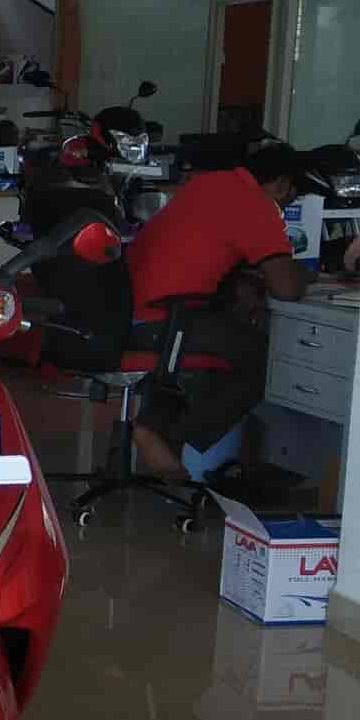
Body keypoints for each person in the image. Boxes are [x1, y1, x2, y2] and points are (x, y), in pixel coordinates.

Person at [124, 144, 313, 476]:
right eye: (290, 199)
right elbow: (286, 288)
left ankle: (159, 428)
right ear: (282, 184)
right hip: (165, 318)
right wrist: (305, 275)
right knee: (264, 357)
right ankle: (165, 434)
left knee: (229, 332)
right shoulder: (255, 204)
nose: (285, 208)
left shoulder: (210, 184)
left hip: (129, 309)